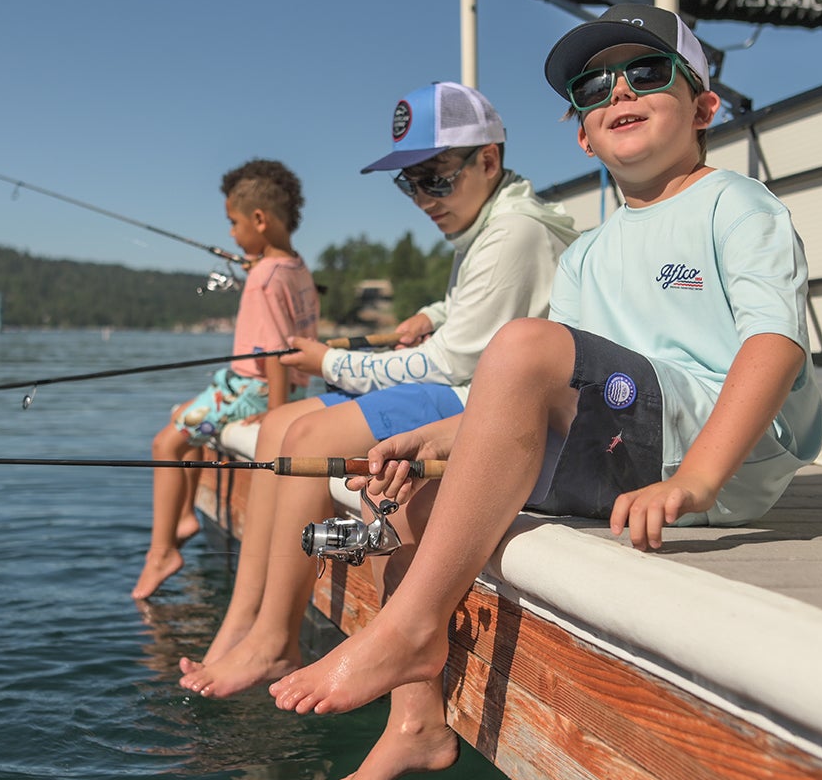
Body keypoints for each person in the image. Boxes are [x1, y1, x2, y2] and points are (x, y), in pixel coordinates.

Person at [267, 5, 822, 780]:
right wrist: (440, 438)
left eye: (646, 73)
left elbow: (773, 347)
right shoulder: (592, 254)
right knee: (422, 492)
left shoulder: (736, 205)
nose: (618, 92)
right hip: (633, 445)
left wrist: (699, 481)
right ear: (582, 138)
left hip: (715, 456)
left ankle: (408, 631)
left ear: (704, 106)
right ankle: (416, 720)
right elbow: (557, 399)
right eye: (593, 89)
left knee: (523, 345)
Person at [177, 82, 577, 697]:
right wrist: (433, 313)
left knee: (303, 433)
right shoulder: (491, 226)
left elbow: (446, 365)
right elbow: (471, 308)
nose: (421, 198)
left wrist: (328, 359)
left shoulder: (514, 233)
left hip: (468, 400)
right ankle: (244, 624)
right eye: (408, 183)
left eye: (434, 178)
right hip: (457, 382)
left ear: (488, 161)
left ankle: (275, 641)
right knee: (277, 430)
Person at [132, 159, 318, 599]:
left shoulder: (263, 280)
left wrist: (274, 417)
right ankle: (183, 519)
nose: (231, 234)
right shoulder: (296, 268)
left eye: (233, 223)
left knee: (166, 443)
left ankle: (162, 551)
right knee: (185, 418)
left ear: (259, 219)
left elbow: (273, 353)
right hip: (280, 387)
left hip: (253, 390)